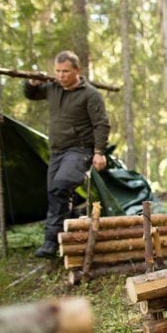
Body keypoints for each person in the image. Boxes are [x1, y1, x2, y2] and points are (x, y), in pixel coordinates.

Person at [25, 51, 110, 258]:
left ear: (77, 71)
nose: (61, 75)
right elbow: (31, 94)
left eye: (65, 71)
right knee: (55, 193)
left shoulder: (90, 94)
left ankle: (50, 242)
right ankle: (76, 224)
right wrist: (32, 83)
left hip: (80, 150)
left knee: (60, 188)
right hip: (57, 152)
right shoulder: (53, 88)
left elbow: (101, 124)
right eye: (57, 71)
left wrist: (99, 152)